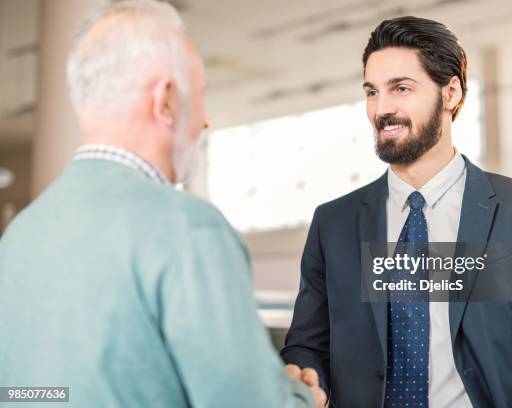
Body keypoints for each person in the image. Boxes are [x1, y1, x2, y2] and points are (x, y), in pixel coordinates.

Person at [0, 1, 325, 407]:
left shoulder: (21, 233)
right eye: (200, 96)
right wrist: (301, 396)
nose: (206, 120)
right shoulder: (188, 229)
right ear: (166, 101)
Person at [281, 16, 512, 407]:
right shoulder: (332, 224)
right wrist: (304, 380)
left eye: (401, 88)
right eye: (372, 92)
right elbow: (306, 348)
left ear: (450, 92)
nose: (382, 108)